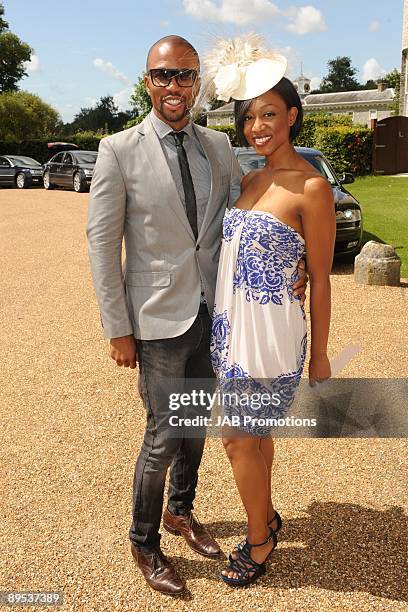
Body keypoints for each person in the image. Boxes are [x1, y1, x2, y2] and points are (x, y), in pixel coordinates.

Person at [86, 35, 307, 595]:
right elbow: (101, 243)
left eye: (185, 76)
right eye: (163, 76)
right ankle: (144, 540)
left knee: (194, 429)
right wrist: (118, 327)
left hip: (218, 311)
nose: (175, 87)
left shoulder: (216, 146)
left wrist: (297, 257)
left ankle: (180, 513)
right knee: (163, 433)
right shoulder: (118, 150)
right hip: (157, 320)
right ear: (147, 82)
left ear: (198, 81)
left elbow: (250, 211)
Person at [206, 36, 336, 587]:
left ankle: (259, 542)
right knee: (254, 438)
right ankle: (268, 515)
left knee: (237, 437)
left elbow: (324, 279)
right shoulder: (250, 179)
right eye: (249, 117)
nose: (257, 127)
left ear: (292, 116)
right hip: (232, 327)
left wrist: (322, 356)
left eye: (269, 114)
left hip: (273, 332)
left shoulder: (312, 187)